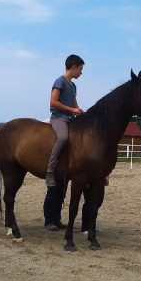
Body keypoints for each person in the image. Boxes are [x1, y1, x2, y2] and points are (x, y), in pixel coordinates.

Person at [45, 54, 85, 187]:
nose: (81, 72)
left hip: (70, 118)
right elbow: (53, 102)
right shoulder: (59, 81)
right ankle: (50, 171)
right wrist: (72, 110)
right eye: (80, 69)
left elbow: (74, 103)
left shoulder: (73, 86)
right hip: (58, 118)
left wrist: (78, 110)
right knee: (63, 138)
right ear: (73, 67)